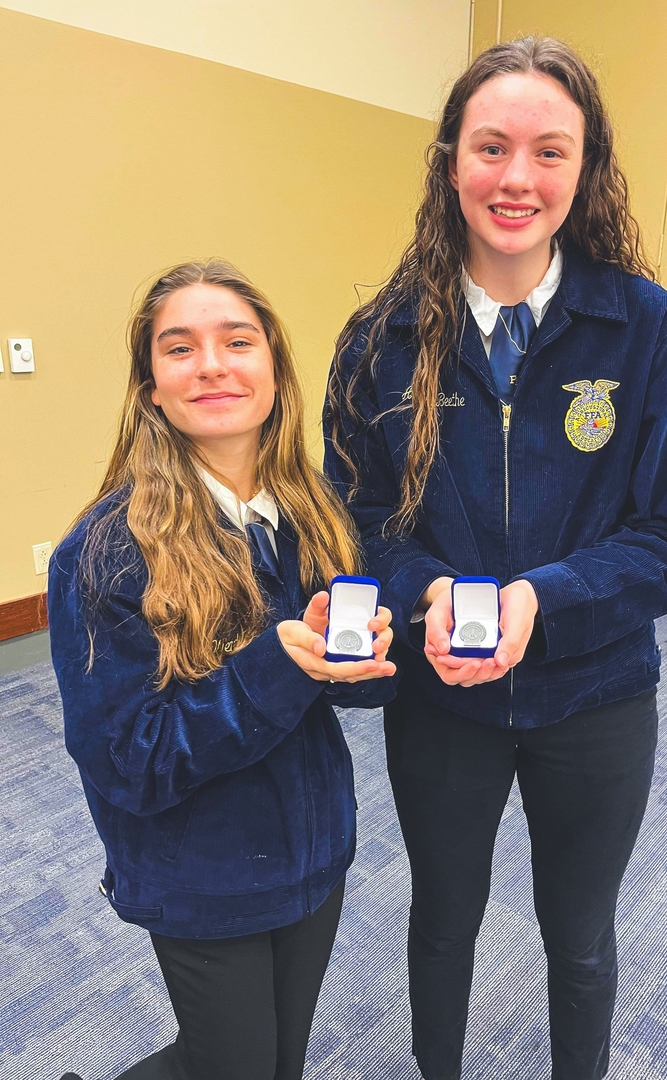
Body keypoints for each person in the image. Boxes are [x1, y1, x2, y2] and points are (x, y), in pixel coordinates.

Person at [325, 36, 667, 1080]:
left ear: (586, 168)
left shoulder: (643, 329)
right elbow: (355, 519)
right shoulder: (381, 337)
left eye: (551, 152)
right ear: (449, 158)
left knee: (582, 937)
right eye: (492, 146)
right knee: (442, 924)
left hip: (595, 700)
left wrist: (540, 601)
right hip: (443, 701)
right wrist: (432, 595)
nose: (517, 178)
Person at [48, 259, 396, 1080]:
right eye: (180, 349)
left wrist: (370, 665)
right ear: (151, 388)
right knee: (225, 1064)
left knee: (282, 1060)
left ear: (273, 369)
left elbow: (345, 686)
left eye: (237, 341)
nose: (212, 364)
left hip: (312, 850)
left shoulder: (313, 511)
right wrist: (277, 665)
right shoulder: (103, 556)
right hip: (201, 877)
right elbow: (129, 760)